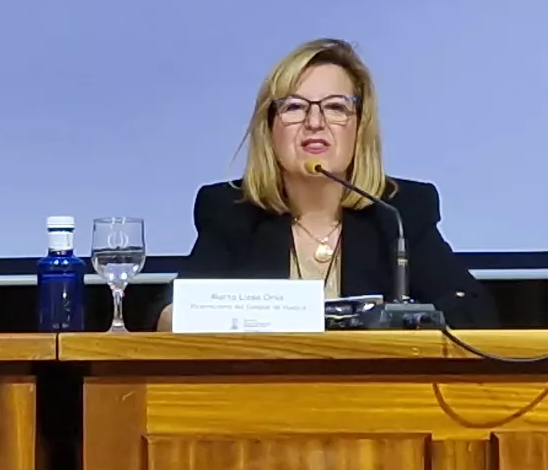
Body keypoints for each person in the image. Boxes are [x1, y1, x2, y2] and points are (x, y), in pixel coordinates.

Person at [176, 39, 495, 324]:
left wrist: (404, 324)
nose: (315, 122)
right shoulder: (233, 212)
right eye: (294, 107)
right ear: (270, 128)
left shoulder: (398, 212)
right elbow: (169, 314)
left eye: (335, 107)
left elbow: (474, 314)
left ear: (359, 128)